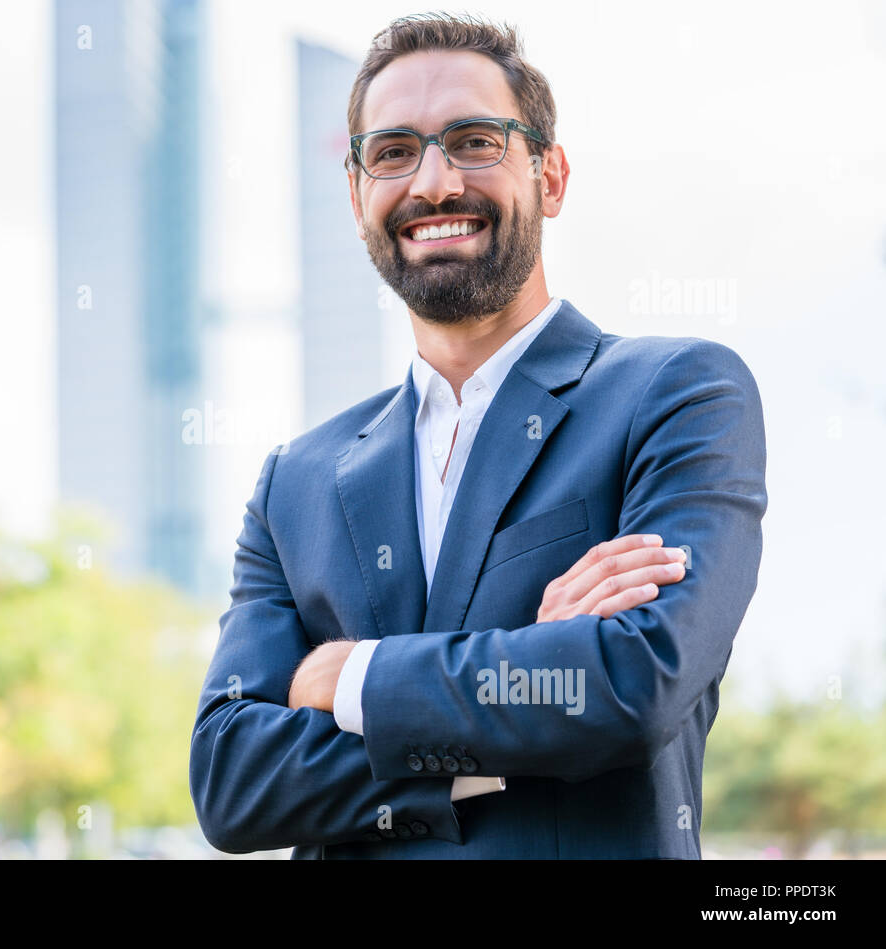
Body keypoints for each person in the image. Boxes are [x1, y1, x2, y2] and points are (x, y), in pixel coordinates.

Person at [189, 11, 766, 858]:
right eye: (393, 152)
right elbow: (232, 778)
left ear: (551, 175)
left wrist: (348, 678)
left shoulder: (677, 394)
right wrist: (533, 664)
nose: (434, 183)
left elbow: (633, 684)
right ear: (357, 199)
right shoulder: (296, 482)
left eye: (474, 141)